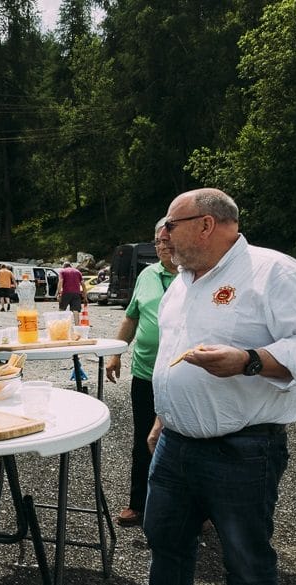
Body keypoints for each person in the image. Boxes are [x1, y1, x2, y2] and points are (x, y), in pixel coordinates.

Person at [94, 189, 296, 585]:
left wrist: (250, 361)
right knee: (166, 542)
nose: (163, 235)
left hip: (244, 447)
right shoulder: (181, 282)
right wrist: (163, 416)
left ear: (207, 224)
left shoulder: (272, 271)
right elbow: (174, 355)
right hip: (175, 443)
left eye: (171, 224)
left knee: (246, 563)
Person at [105, 218, 178, 527]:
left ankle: (194, 509)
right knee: (142, 440)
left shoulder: (196, 276)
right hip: (146, 373)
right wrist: (116, 352)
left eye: (168, 243)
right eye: (159, 243)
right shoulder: (147, 275)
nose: (163, 248)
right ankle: (139, 503)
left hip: (184, 375)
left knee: (186, 440)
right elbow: (131, 317)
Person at [56, 260, 86, 324]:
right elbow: (83, 284)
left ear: (64, 266)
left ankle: (61, 325)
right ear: (70, 266)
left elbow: (60, 281)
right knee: (76, 310)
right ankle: (77, 326)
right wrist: (85, 296)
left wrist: (59, 293)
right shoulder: (78, 271)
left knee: (62, 309)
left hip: (66, 293)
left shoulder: (62, 271)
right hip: (76, 293)